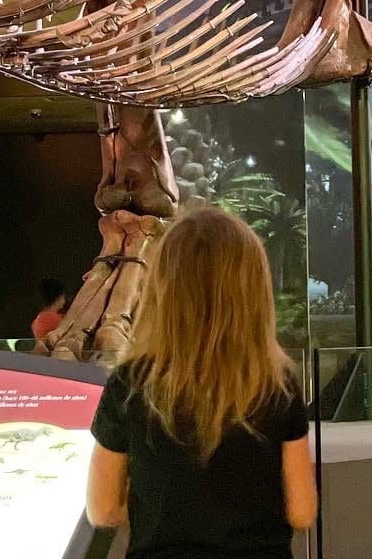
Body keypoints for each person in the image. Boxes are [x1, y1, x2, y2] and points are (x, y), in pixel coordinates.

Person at [86, 206, 317, 557]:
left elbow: (102, 510)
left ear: (163, 286)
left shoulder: (129, 384)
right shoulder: (277, 384)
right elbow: (301, 511)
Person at [31, 278, 68, 344]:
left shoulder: (36, 321)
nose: (64, 301)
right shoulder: (60, 319)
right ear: (57, 298)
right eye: (63, 297)